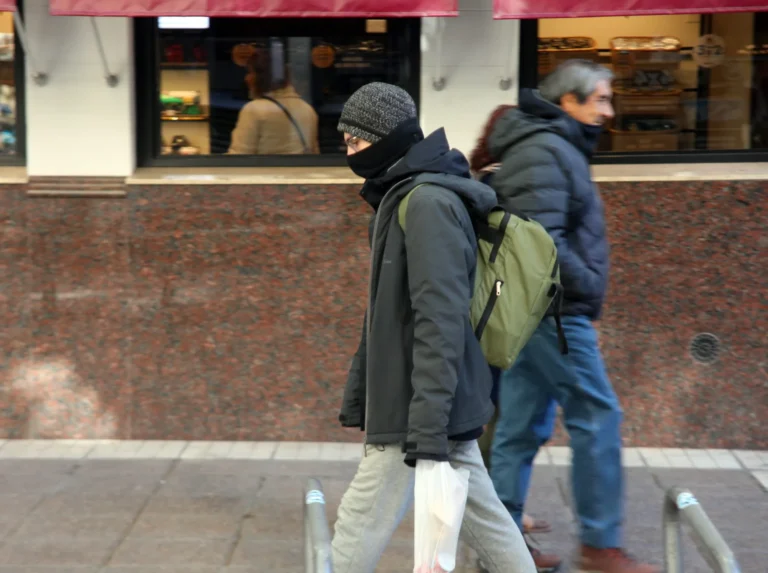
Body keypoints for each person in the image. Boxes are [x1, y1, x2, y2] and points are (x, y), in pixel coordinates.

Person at [331, 82, 536, 573]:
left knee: (355, 529)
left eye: (357, 141)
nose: (349, 151)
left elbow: (439, 318)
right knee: (489, 524)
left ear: (389, 138)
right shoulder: (405, 196)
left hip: (416, 406)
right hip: (430, 400)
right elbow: (387, 315)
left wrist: (425, 423)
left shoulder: (424, 202)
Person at [486, 59, 659, 573]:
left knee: (519, 425)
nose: (608, 110)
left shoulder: (549, 148)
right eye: (600, 99)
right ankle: (601, 545)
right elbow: (541, 242)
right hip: (554, 311)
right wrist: (586, 283)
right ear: (568, 102)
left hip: (537, 310)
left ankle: (501, 542)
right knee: (597, 415)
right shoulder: (546, 150)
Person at [470, 104, 560, 573]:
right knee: (499, 430)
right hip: (498, 321)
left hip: (494, 319)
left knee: (501, 426)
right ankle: (500, 532)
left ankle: (507, 520)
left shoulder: (487, 176)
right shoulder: (497, 180)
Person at [228, 48, 319, 155]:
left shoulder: (253, 110)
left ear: (259, 77)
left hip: (268, 172)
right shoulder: (307, 109)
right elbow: (314, 155)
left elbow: (239, 157)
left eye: (250, 72)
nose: (247, 78)